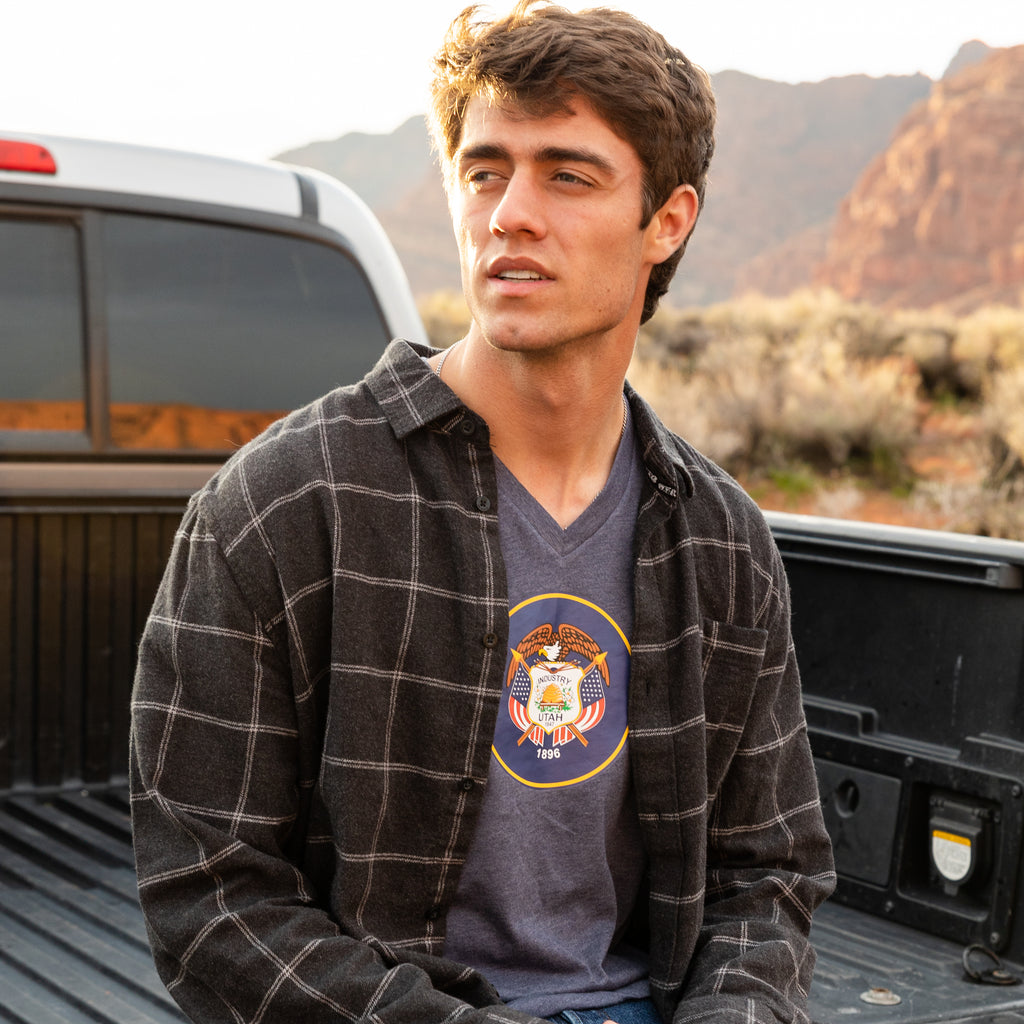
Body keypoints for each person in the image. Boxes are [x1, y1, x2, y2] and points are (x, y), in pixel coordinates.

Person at [129, 3, 835, 1023]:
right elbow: (208, 897)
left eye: (568, 175)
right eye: (485, 171)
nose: (510, 213)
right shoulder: (286, 503)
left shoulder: (719, 538)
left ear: (668, 221)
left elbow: (767, 875)